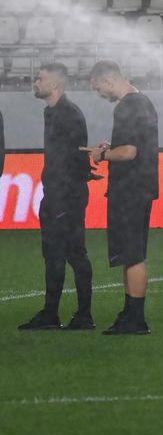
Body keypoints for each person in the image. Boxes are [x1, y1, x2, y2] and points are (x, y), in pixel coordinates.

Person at [82, 61, 159, 336]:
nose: (99, 93)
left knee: (133, 255)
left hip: (130, 190)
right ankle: (129, 314)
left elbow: (129, 153)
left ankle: (136, 320)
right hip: (139, 189)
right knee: (130, 255)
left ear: (109, 80)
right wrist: (112, 148)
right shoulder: (143, 102)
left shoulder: (127, 105)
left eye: (98, 87)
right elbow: (131, 147)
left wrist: (102, 155)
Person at [18, 65, 94, 332]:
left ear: (56, 84)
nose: (35, 81)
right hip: (58, 194)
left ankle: (80, 315)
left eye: (41, 78)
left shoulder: (67, 114)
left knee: (69, 253)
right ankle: (57, 315)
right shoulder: (53, 112)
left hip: (66, 196)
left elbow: (76, 155)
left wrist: (69, 188)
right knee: (58, 254)